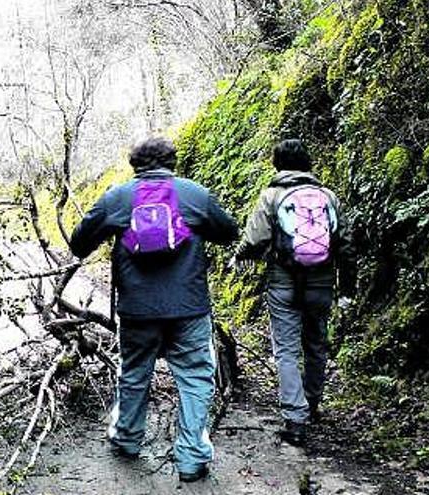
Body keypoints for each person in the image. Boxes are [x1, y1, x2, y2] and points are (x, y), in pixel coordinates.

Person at [69, 137, 239, 483]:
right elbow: (229, 232)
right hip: (189, 309)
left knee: (133, 373)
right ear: (172, 163)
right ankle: (191, 458)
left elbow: (79, 243)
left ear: (136, 165)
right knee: (195, 379)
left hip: (137, 310)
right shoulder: (194, 195)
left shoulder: (117, 197)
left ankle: (127, 439)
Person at [231, 139, 355, 446]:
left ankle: (295, 419)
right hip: (322, 283)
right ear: (309, 163)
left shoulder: (272, 196)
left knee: (286, 349)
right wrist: (347, 289)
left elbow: (256, 239)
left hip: (283, 282)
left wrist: (239, 256)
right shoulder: (328, 197)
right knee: (316, 344)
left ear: (277, 164)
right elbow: (346, 245)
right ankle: (312, 403)